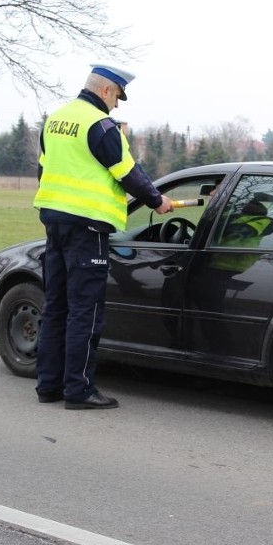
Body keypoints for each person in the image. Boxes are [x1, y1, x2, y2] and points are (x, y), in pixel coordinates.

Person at [32, 63, 173, 409]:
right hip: (88, 229)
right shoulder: (101, 126)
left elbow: (42, 169)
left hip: (55, 226)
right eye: (118, 97)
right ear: (107, 90)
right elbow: (129, 174)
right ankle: (78, 391)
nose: (118, 105)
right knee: (86, 311)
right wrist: (158, 201)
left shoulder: (56, 120)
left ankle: (48, 385)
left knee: (56, 307)